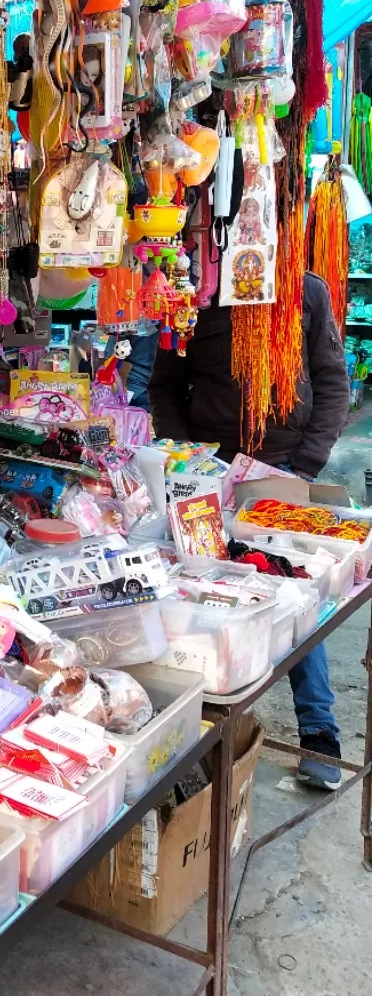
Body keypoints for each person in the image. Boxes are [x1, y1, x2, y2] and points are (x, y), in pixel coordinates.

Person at [148, 271, 349, 790]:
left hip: (284, 468)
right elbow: (164, 385)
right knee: (204, 593)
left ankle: (319, 732)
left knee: (295, 595)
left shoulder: (305, 289)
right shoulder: (195, 291)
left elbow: (331, 382)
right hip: (208, 468)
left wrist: (305, 466)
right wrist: (188, 462)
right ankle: (202, 730)